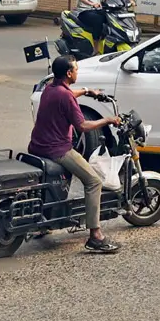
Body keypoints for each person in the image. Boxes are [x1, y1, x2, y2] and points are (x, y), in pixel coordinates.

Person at [28, 55, 122, 253]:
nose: (78, 72)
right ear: (69, 73)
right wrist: (108, 120)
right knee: (94, 181)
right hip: (57, 150)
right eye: (76, 70)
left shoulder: (50, 89)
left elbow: (69, 94)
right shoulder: (65, 96)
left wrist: (88, 91)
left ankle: (45, 221)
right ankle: (96, 236)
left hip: (37, 146)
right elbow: (83, 125)